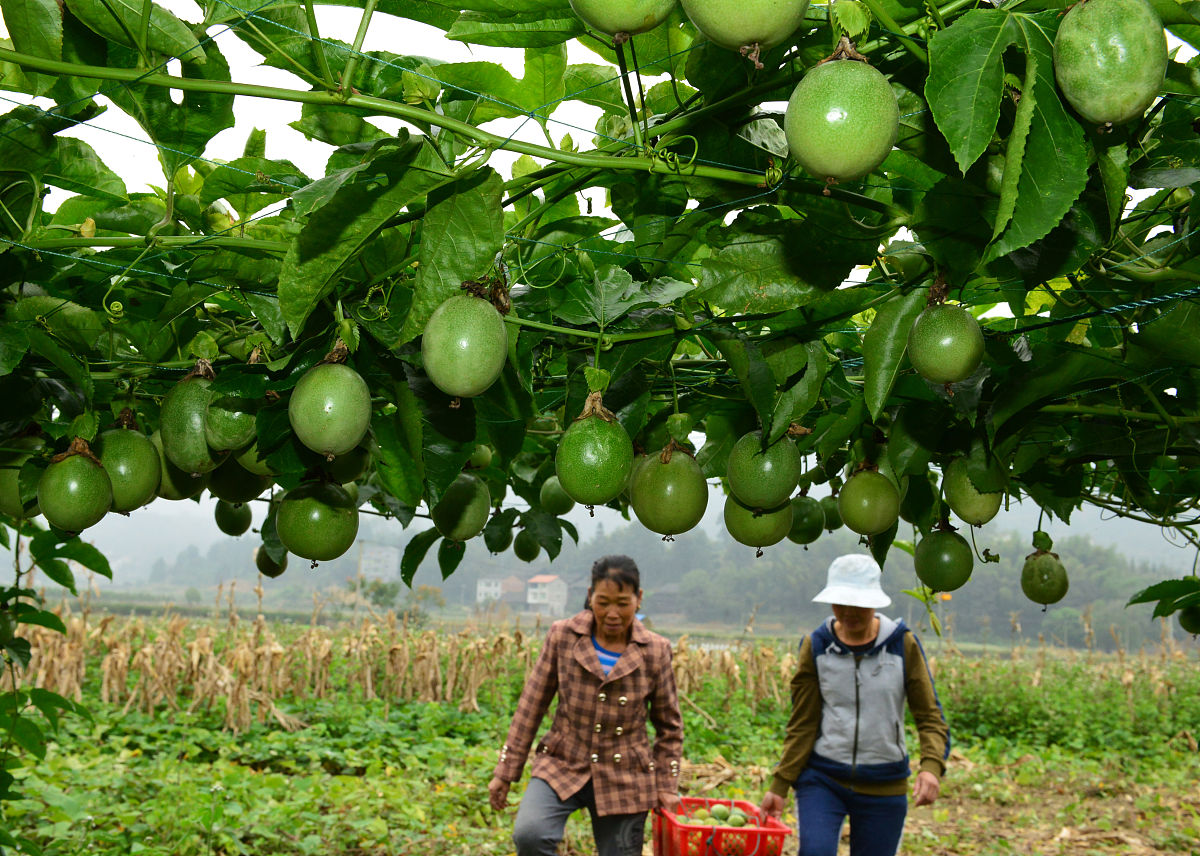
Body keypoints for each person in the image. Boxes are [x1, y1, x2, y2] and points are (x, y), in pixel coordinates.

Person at [488, 555, 683, 856]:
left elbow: (669, 727)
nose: (613, 613)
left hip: (626, 774)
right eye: (603, 602)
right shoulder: (563, 636)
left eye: (622, 603)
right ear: (590, 596)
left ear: (639, 598)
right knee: (530, 835)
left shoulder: (655, 651)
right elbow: (531, 705)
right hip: (563, 760)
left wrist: (667, 785)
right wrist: (505, 770)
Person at [760, 554, 950, 856]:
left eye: (858, 604)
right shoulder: (817, 646)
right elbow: (803, 722)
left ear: (874, 601)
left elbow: (929, 716)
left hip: (885, 783)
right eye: (840, 603)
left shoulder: (903, 645)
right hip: (823, 779)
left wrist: (931, 767)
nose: (848, 612)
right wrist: (780, 783)